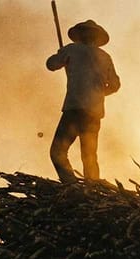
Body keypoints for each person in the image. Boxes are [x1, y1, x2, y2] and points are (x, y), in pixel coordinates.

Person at [46, 20, 120, 183]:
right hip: (94, 113)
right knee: (89, 156)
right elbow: (115, 85)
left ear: (80, 35)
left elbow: (51, 65)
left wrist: (61, 55)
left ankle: (71, 185)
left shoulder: (72, 50)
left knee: (57, 152)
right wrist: (98, 93)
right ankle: (91, 188)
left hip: (74, 110)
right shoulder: (105, 57)